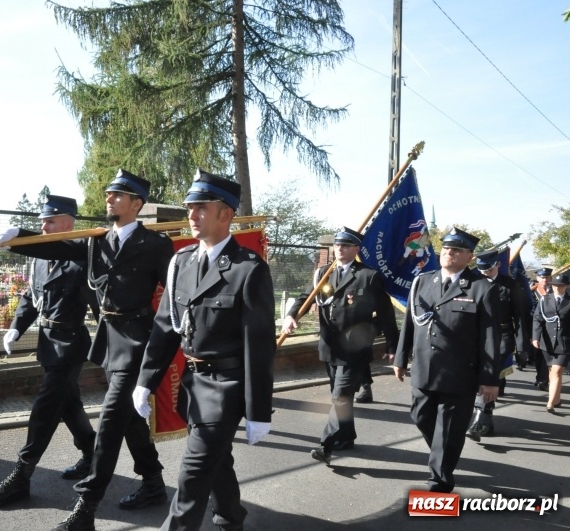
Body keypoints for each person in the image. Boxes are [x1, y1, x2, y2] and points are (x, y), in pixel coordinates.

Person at [0, 169, 173, 531]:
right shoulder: (95, 240)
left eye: (118, 195)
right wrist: (19, 238)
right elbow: (57, 246)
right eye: (108, 193)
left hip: (137, 341)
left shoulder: (155, 245)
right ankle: (153, 482)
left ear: (136, 204)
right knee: (130, 418)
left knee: (109, 421)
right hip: (109, 343)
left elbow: (173, 296)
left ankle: (86, 508)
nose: (109, 198)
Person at [132, 170, 276, 530]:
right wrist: (145, 381)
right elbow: (165, 327)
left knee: (192, 475)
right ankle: (230, 517)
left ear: (225, 214)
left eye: (200, 208)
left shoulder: (248, 269)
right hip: (194, 387)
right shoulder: (181, 263)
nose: (192, 215)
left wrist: (258, 410)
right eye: (190, 208)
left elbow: (258, 346)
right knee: (217, 460)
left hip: (226, 388)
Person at [0, 195, 99, 507]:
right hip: (48, 342)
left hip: (71, 343)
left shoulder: (84, 252)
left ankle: (21, 476)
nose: (43, 227)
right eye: (41, 222)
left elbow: (101, 304)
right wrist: (16, 328)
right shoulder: (40, 258)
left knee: (45, 409)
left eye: (49, 221)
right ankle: (92, 452)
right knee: (68, 404)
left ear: (67, 222)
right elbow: (30, 296)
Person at [394, 227, 501, 493]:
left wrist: (489, 379)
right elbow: (410, 322)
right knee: (420, 416)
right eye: (446, 248)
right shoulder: (423, 281)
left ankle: (440, 481)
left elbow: (490, 337)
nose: (449, 253)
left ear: (470, 256)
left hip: (459, 373)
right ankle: (445, 451)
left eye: (457, 250)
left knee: (449, 429)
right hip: (423, 368)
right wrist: (400, 357)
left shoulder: (481, 288)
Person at [282, 227, 398, 465]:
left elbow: (386, 314)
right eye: (337, 245)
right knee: (341, 397)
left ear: (356, 249)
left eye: (345, 246)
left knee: (340, 397)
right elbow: (305, 297)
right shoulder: (323, 274)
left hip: (354, 351)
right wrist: (291, 315)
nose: (340, 249)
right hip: (330, 347)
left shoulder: (368, 275)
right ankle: (346, 436)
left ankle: (326, 445)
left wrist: (388, 343)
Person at [466, 249, 531, 441]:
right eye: (482, 268)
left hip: (501, 337)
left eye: (489, 268)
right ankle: (486, 419)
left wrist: (522, 347)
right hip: (475, 337)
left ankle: (480, 417)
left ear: (498, 265)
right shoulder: (473, 282)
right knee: (479, 375)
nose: (485, 272)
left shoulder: (510, 285)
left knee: (491, 375)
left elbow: (520, 317)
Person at [531, 273, 570, 414]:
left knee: (557, 371)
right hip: (547, 342)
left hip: (565, 343)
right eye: (555, 285)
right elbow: (537, 319)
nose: (557, 288)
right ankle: (557, 399)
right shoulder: (544, 300)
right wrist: (535, 337)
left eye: (561, 286)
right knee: (552, 372)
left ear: (566, 286)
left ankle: (550, 403)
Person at [529, 268, 552, 390]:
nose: (545, 280)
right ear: (538, 278)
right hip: (535, 326)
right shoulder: (531, 292)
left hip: (550, 327)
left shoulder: (554, 290)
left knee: (546, 354)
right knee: (536, 355)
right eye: (543, 277)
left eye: (547, 277)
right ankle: (540, 377)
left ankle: (544, 379)